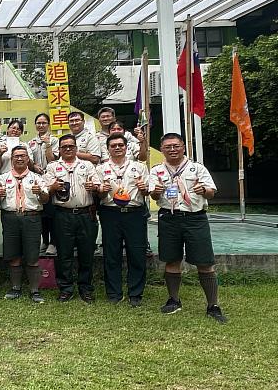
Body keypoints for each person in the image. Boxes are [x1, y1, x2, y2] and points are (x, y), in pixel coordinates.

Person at [149, 133, 226, 323]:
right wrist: (155, 192)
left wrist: (204, 191)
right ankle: (174, 300)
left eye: (176, 146)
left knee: (204, 261)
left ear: (183, 147)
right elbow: (153, 196)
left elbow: (211, 193)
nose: (172, 150)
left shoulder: (197, 168)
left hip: (195, 219)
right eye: (168, 147)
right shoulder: (157, 170)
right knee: (171, 259)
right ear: (162, 149)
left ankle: (213, 305)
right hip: (169, 217)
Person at [44, 134, 100, 303]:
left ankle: (86, 288)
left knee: (86, 253)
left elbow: (97, 185)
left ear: (76, 148)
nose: (68, 149)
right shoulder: (53, 166)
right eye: (64, 147)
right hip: (63, 215)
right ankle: (66, 288)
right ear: (59, 150)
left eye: (71, 146)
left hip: (85, 214)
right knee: (64, 253)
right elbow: (45, 191)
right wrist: (52, 187)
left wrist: (94, 187)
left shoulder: (87, 165)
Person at [96, 133, 149, 306]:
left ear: (126, 147)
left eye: (120, 145)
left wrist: (144, 188)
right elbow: (98, 193)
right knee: (112, 253)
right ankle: (114, 293)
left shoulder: (139, 167)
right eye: (113, 145)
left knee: (137, 253)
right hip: (110, 213)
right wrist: (101, 190)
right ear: (108, 149)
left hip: (134, 213)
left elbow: (148, 191)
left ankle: (135, 293)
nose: (117, 148)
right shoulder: (101, 169)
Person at [0, 146, 49, 303]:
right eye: (16, 156)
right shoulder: (3, 178)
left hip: (31, 218)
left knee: (32, 255)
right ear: (12, 159)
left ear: (28, 159)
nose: (19, 159)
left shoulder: (37, 178)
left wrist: (40, 192)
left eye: (22, 156)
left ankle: (34, 290)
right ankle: (15, 288)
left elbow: (45, 200)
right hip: (10, 218)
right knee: (13, 255)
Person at [29, 113, 59, 256]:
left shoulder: (54, 140)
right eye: (38, 123)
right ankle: (45, 241)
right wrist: (34, 165)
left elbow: (53, 160)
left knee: (52, 211)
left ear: (48, 124)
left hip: (52, 178)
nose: (41, 125)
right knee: (41, 212)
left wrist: (47, 144)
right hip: (37, 179)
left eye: (44, 123)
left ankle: (54, 242)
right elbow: (29, 162)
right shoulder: (31, 143)